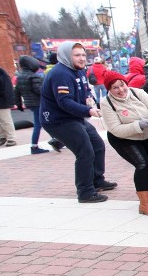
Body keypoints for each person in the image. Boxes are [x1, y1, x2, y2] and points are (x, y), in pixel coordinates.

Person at [39, 41, 117, 203]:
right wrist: (88, 111)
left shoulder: (79, 71)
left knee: (97, 144)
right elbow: (64, 102)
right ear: (67, 56)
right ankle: (85, 192)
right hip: (58, 120)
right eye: (77, 55)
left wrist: (90, 101)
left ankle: (97, 179)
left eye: (83, 54)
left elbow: (86, 91)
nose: (82, 58)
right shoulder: (61, 74)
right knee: (85, 151)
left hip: (74, 117)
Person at [99, 71, 148, 215]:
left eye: (122, 85)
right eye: (115, 88)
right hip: (123, 138)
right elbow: (116, 129)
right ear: (109, 89)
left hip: (147, 133)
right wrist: (138, 125)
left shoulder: (137, 92)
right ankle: (145, 204)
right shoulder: (106, 103)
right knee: (142, 164)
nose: (121, 90)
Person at [14, 56, 49, 154]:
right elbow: (39, 90)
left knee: (41, 123)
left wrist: (19, 104)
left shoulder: (20, 77)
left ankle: (54, 140)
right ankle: (34, 146)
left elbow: (16, 92)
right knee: (42, 123)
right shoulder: (34, 76)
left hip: (30, 103)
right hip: (38, 103)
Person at [0, 62, 17, 147]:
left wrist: (10, 100)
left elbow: (7, 86)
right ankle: (3, 136)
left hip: (1, 99)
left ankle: (11, 138)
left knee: (6, 120)